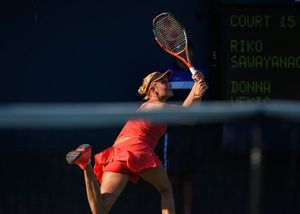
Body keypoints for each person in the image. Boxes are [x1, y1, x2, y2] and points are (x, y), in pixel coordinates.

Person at [66, 69, 207, 214]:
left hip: (118, 152)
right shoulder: (155, 106)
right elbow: (185, 114)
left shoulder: (149, 108)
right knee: (166, 189)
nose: (169, 84)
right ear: (153, 89)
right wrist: (195, 88)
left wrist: (197, 92)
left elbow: (190, 119)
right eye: (164, 82)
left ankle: (86, 163)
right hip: (137, 149)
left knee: (100, 210)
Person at [164, 42, 208, 214]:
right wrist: (196, 91)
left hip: (192, 132)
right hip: (172, 132)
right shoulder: (167, 75)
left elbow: (194, 113)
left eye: (188, 48)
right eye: (180, 49)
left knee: (189, 176)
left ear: (193, 51)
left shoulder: (199, 74)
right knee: (170, 178)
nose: (184, 52)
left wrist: (199, 90)